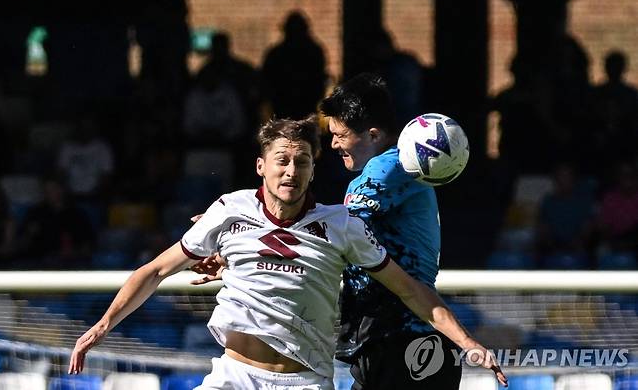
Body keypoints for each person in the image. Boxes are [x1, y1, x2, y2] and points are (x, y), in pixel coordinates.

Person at [69, 116, 507, 389]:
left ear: (315, 169)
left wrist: (467, 342)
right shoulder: (227, 210)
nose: (290, 171)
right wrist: (103, 325)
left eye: (301, 162)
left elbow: (411, 292)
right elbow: (155, 270)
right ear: (261, 165)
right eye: (281, 160)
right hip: (235, 377)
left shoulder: (343, 225)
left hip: (305, 381)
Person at [318, 73, 462, 389]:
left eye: (340, 135)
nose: (333, 144)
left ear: (372, 134)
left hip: (406, 344)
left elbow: (337, 233)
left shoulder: (387, 169)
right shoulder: (396, 166)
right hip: (397, 342)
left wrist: (259, 233)